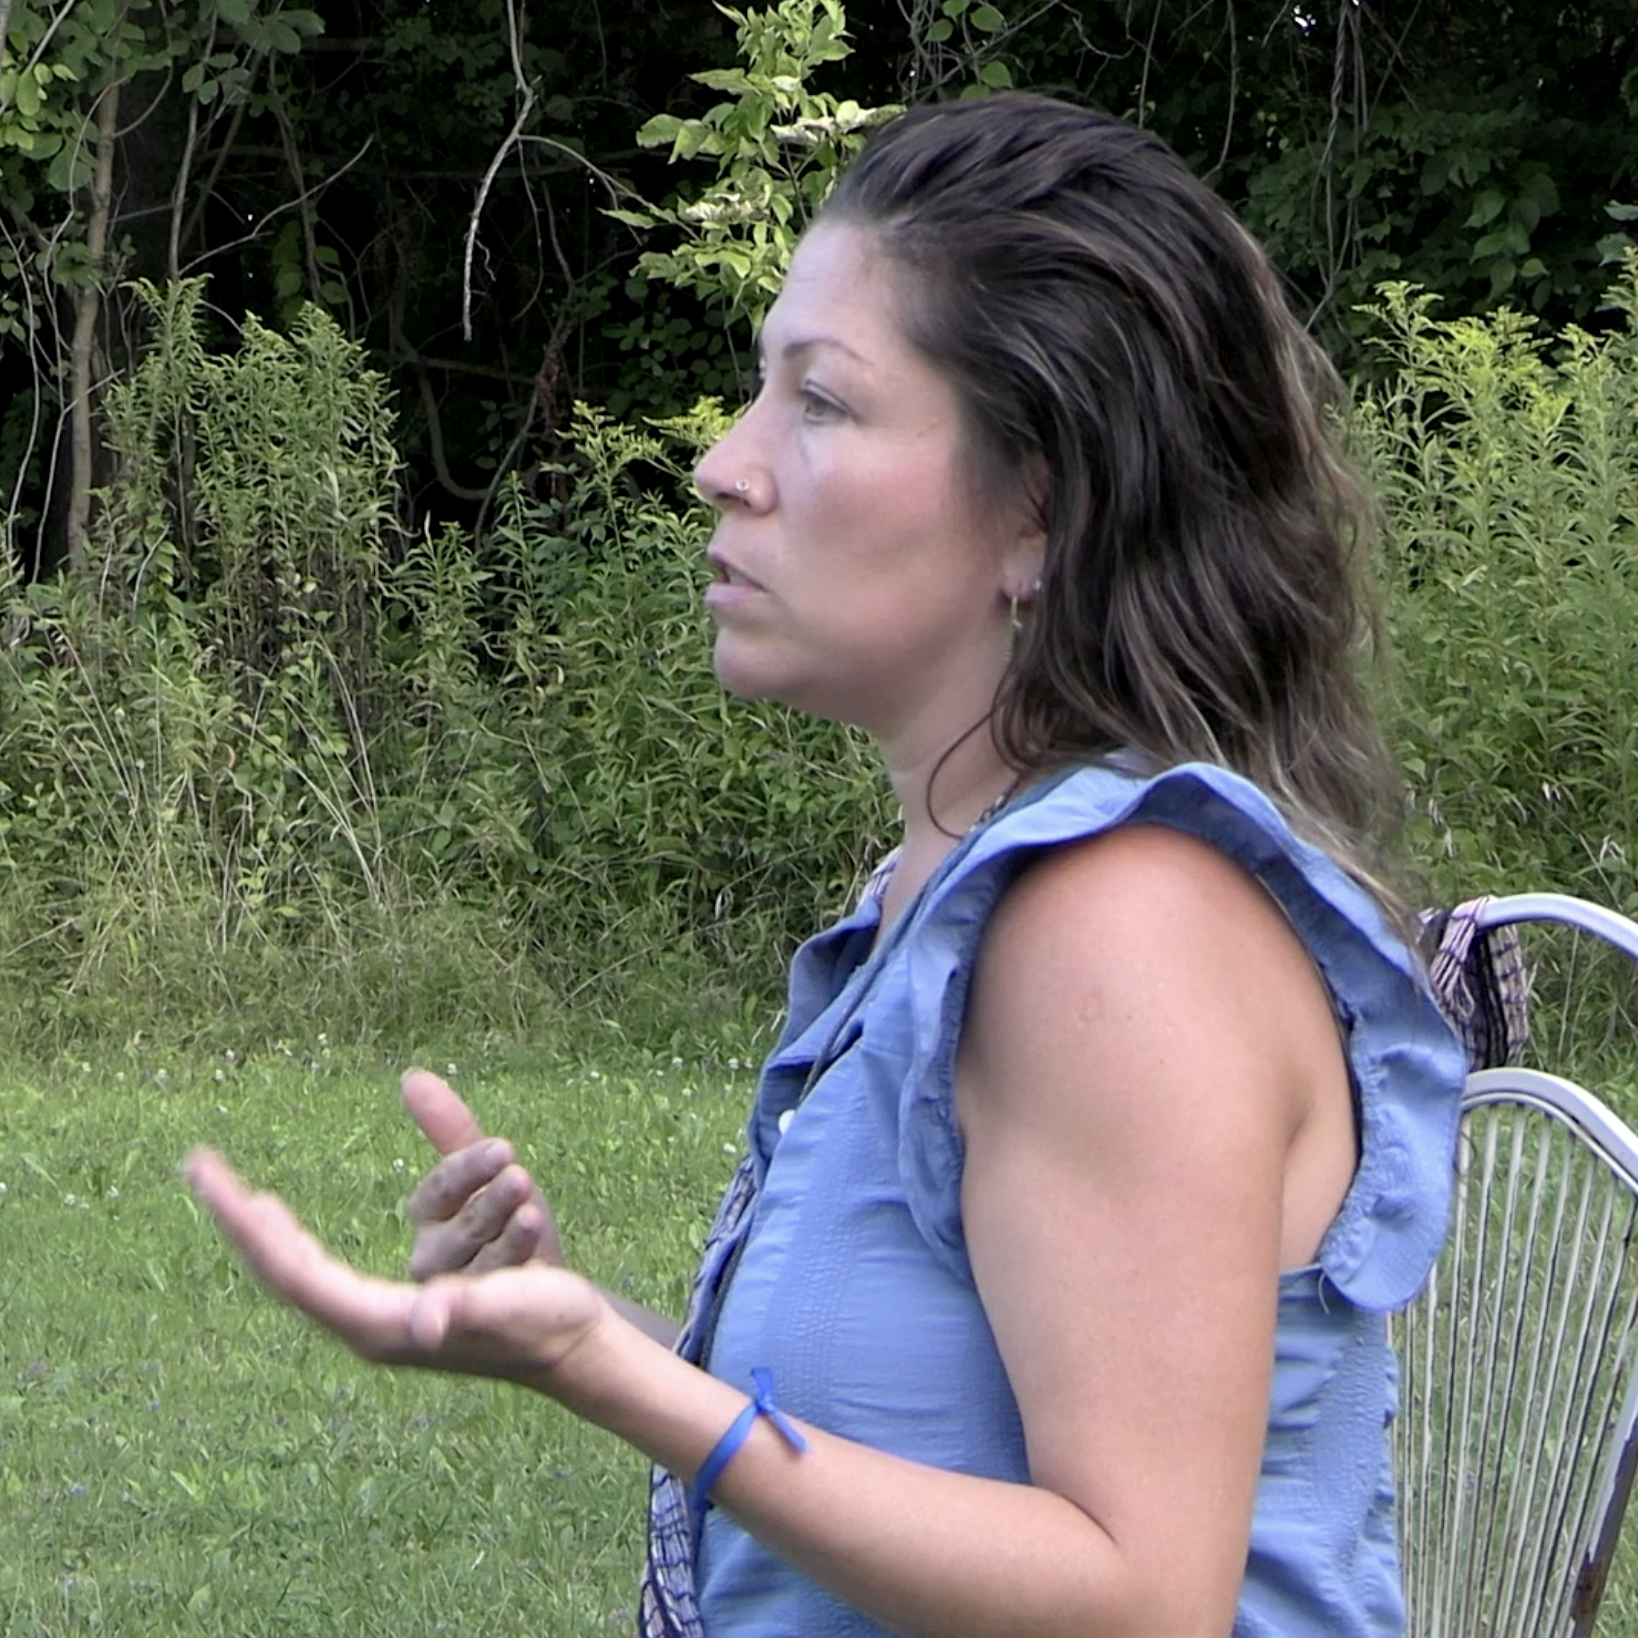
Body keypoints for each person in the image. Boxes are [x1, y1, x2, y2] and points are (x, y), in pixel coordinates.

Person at [188, 93, 1466, 1638]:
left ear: (1039, 510)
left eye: (824, 404)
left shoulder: (1115, 927)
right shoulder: (947, 888)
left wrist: (617, 1381)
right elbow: (912, 1458)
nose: (725, 466)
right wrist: (579, 1327)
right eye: (757, 390)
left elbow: (1141, 1596)